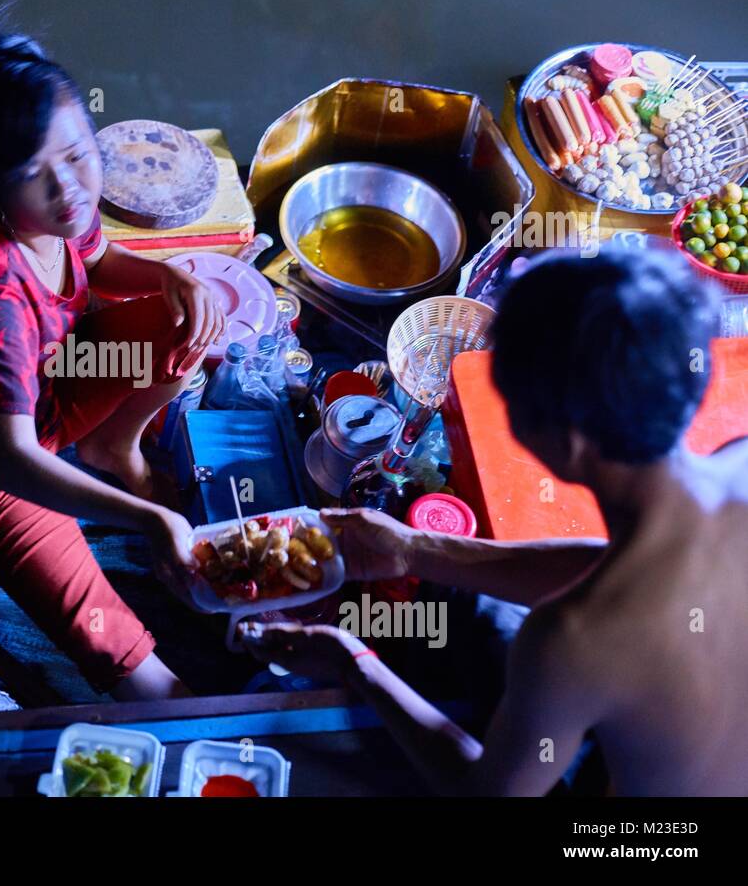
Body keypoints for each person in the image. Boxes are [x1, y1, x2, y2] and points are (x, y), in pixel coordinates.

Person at [246, 247, 748, 795]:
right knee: (468, 604)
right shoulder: (737, 463)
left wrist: (356, 664)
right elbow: (627, 575)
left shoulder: (572, 641)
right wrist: (414, 550)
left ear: (563, 440)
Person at [0, 33, 224, 700]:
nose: (68, 189)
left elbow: (94, 262)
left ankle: (110, 446)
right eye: (35, 174)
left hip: (46, 382)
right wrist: (149, 520)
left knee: (193, 315)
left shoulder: (59, 211)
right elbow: (11, 460)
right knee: (119, 647)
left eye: (76, 155)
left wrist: (169, 275)